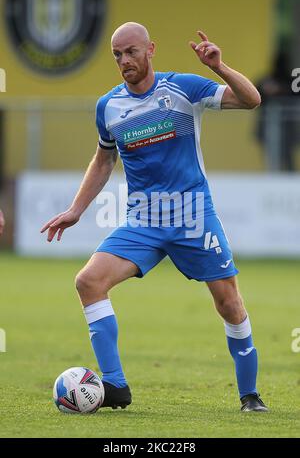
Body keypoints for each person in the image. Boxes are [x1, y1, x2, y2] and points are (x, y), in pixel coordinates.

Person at [41, 22, 268, 412]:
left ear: (150, 50)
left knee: (229, 303)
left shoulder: (183, 88)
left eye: (130, 52)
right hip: (143, 221)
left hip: (193, 216)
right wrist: (76, 209)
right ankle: (115, 387)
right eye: (116, 55)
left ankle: (250, 395)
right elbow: (103, 158)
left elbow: (252, 100)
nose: (124, 60)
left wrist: (219, 66)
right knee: (89, 282)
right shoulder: (108, 106)